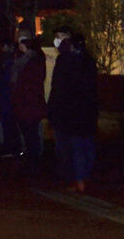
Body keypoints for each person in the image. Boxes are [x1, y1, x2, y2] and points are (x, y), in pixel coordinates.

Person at [48, 34, 97, 193]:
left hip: (71, 111)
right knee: (86, 146)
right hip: (87, 110)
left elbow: (59, 89)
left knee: (75, 148)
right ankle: (84, 176)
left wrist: (55, 111)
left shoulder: (66, 63)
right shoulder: (88, 61)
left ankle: (78, 178)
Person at [12, 37, 47, 173]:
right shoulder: (27, 59)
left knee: (30, 132)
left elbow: (28, 84)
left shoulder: (31, 61)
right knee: (29, 132)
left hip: (28, 102)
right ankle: (32, 158)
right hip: (26, 102)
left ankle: (34, 160)